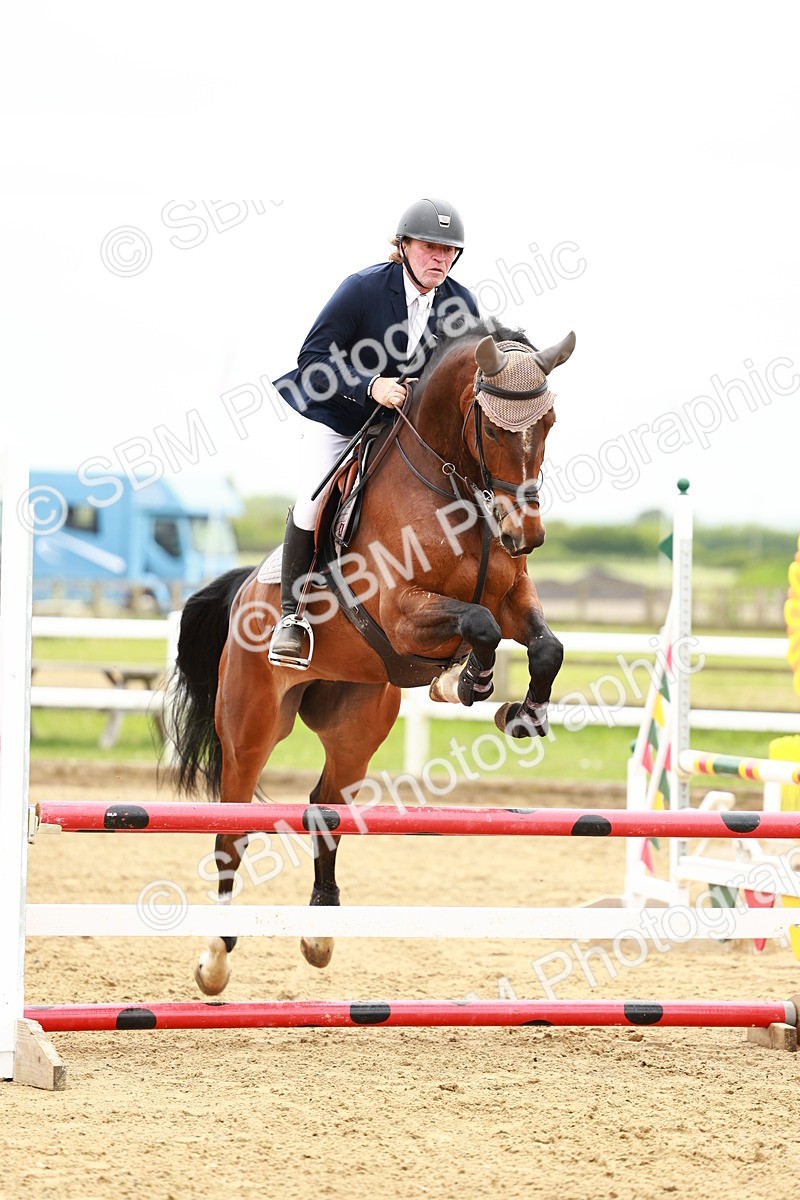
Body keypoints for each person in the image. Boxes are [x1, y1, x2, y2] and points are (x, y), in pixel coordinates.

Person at [269, 197, 480, 669]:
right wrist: (370, 386)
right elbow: (313, 360)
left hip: (410, 432)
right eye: (430, 247)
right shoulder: (363, 289)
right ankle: (293, 617)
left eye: (449, 252)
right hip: (344, 420)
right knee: (313, 499)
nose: (439, 259)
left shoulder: (460, 303)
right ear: (403, 246)